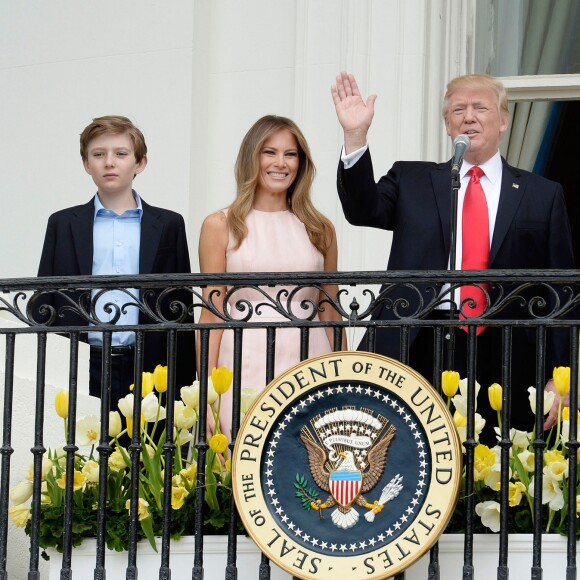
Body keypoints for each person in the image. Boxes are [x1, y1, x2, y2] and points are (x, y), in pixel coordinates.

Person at [331, 72, 574, 442]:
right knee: (411, 457)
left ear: (504, 120)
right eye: (458, 109)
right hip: (419, 339)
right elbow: (363, 209)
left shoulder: (543, 194)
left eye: (481, 107)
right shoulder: (412, 180)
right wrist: (355, 137)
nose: (469, 116)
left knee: (501, 467)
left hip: (506, 347)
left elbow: (562, 293)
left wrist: (562, 377)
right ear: (447, 124)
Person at [198, 115, 345, 437]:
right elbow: (212, 309)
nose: (281, 163)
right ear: (252, 156)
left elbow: (330, 309)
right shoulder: (220, 225)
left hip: (310, 360)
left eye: (290, 154)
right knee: (239, 461)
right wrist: (204, 393)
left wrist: (345, 381)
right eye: (270, 152)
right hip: (241, 360)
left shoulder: (320, 229)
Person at [35, 115, 196, 410]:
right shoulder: (62, 223)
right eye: (99, 154)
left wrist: (185, 386)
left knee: (147, 451)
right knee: (81, 450)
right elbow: (45, 301)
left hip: (149, 365)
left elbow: (181, 305)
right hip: (82, 361)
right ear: (86, 163)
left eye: (121, 154)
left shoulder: (169, 224)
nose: (109, 162)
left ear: (140, 163)